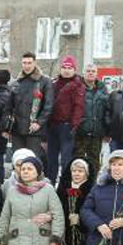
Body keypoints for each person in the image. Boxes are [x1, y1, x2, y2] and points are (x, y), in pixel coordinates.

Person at [9, 52, 54, 161]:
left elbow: (48, 105)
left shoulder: (44, 81)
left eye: (29, 63)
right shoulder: (16, 83)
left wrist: (39, 123)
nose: (27, 66)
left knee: (33, 161)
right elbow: (9, 106)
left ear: (35, 63)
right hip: (17, 129)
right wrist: (7, 126)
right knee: (17, 161)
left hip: (34, 130)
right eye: (24, 63)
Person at [48, 55, 86, 184]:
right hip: (52, 126)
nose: (66, 70)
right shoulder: (53, 84)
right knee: (51, 158)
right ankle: (51, 183)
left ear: (74, 70)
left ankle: (65, 184)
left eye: (70, 68)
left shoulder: (78, 85)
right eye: (64, 67)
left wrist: (74, 125)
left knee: (66, 159)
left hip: (66, 126)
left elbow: (79, 107)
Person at [74, 63, 109, 174]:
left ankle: (93, 186)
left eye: (93, 71)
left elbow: (107, 110)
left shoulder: (102, 89)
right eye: (88, 71)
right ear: (83, 73)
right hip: (80, 131)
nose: (90, 73)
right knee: (77, 161)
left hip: (96, 132)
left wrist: (106, 130)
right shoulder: (76, 87)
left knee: (94, 162)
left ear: (96, 74)